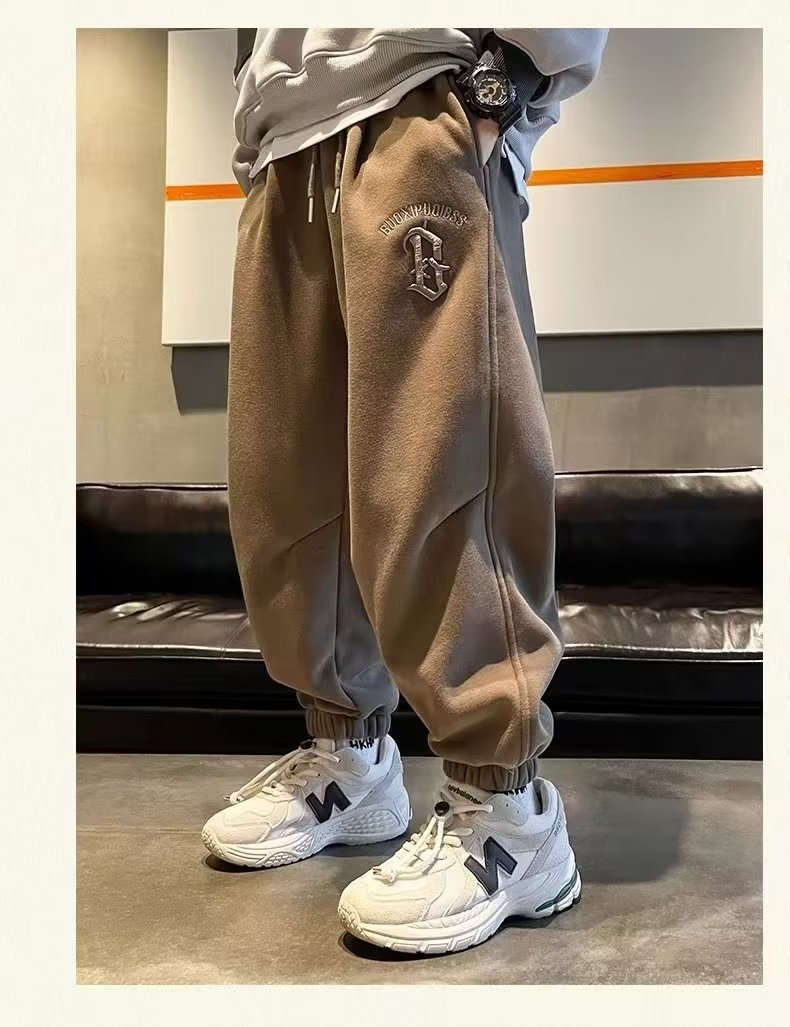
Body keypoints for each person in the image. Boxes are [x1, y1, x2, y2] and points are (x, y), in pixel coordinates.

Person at [202, 27, 608, 955]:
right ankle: (347, 756)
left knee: (441, 465)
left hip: (417, 88)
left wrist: (517, 71)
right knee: (288, 484)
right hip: (284, 140)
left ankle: (509, 811)